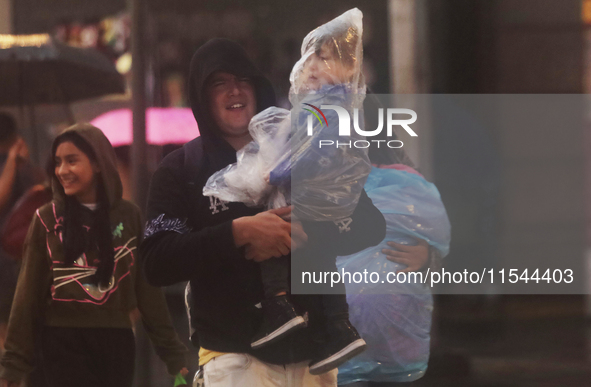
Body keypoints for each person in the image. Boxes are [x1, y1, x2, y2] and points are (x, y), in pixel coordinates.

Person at [141, 37, 385, 387]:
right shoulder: (181, 169)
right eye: (219, 83)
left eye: (242, 79)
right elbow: (156, 261)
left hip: (314, 362)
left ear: (258, 87)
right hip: (235, 361)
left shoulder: (307, 151)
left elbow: (369, 225)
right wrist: (238, 233)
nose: (234, 90)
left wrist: (308, 229)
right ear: (200, 96)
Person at [202, 9, 372, 375]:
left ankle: (278, 306)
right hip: (325, 203)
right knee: (322, 263)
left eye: (323, 58)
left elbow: (305, 152)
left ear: (347, 67)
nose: (310, 66)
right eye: (308, 57)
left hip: (305, 199)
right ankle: (338, 326)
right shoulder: (338, 108)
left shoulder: (324, 110)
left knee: (275, 249)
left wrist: (272, 173)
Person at [0, 124, 188, 387]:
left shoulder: (127, 216)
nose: (62, 170)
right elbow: (27, 294)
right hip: (61, 342)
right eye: (58, 162)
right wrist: (13, 363)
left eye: (72, 161)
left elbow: (146, 290)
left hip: (116, 344)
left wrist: (172, 352)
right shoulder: (47, 219)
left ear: (98, 164)